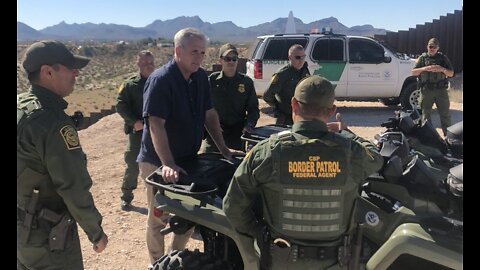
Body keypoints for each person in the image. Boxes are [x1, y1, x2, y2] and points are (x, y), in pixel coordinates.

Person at [224, 75, 383, 269]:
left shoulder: (267, 151)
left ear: (294, 104)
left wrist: (259, 233)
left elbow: (233, 206)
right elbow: (376, 156)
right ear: (332, 110)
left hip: (281, 259)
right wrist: (346, 132)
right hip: (335, 262)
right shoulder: (352, 153)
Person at [137, 28, 244, 267]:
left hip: (186, 159)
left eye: (203, 52)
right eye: (194, 51)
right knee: (158, 217)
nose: (199, 57)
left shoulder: (199, 78)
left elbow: (209, 114)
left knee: (189, 214)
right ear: (178, 51)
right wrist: (167, 163)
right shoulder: (161, 80)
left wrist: (224, 149)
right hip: (157, 160)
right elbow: (155, 124)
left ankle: (175, 259)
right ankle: (156, 264)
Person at [17, 40, 108, 270]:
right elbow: (72, 185)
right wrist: (95, 231)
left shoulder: (22, 106)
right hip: (47, 237)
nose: (76, 73)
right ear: (48, 72)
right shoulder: (52, 122)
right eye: (69, 67)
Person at [201, 43, 260, 152]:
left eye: (234, 59)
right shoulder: (211, 81)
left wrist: (249, 125)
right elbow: (201, 107)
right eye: (228, 59)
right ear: (221, 61)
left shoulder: (246, 82)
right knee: (206, 162)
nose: (231, 62)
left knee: (237, 165)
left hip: (237, 135)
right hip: (215, 134)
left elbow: (253, 109)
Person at [116, 50, 155, 211]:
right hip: (138, 132)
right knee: (132, 164)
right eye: (144, 63)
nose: (148, 66)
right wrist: (134, 122)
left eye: (150, 63)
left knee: (159, 165)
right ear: (138, 64)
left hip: (156, 132)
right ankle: (126, 197)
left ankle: (158, 199)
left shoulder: (160, 81)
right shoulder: (129, 85)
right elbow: (120, 105)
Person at [411, 37, 454, 136]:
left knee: (445, 115)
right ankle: (429, 138)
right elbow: (413, 72)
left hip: (441, 91)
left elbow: (451, 73)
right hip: (426, 91)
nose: (432, 49)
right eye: (430, 46)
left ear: (438, 48)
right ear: (427, 47)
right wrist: (425, 68)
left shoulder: (443, 58)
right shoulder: (422, 58)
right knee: (425, 116)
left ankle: (449, 138)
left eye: (434, 47)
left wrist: (441, 69)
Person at [263, 44, 310, 126]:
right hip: (286, 117)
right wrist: (278, 108)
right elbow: (267, 95)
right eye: (298, 57)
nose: (301, 60)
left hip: (301, 115)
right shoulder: (282, 73)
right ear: (290, 57)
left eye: (303, 57)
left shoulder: (304, 70)